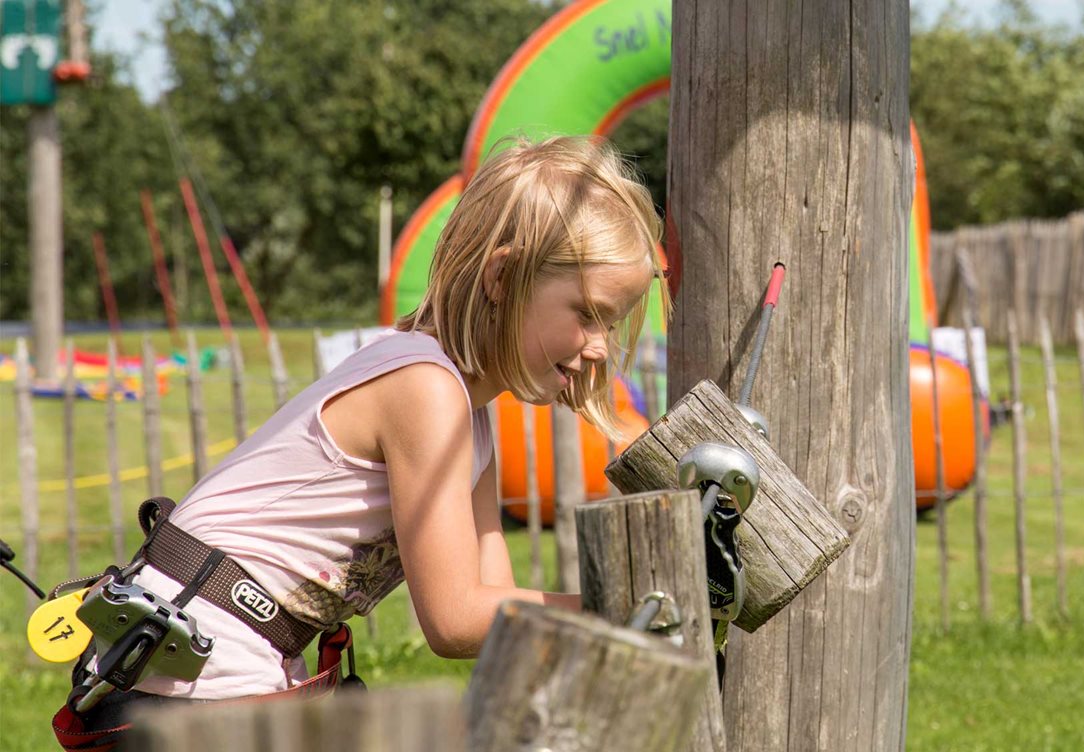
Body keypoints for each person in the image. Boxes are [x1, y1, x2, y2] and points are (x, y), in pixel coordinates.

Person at [55, 135, 668, 742]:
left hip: (214, 657)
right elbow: (454, 619)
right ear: (503, 277)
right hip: (194, 663)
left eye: (611, 324)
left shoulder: (468, 413)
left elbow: (494, 607)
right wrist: (624, 602)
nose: (599, 347)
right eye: (587, 313)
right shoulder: (426, 389)